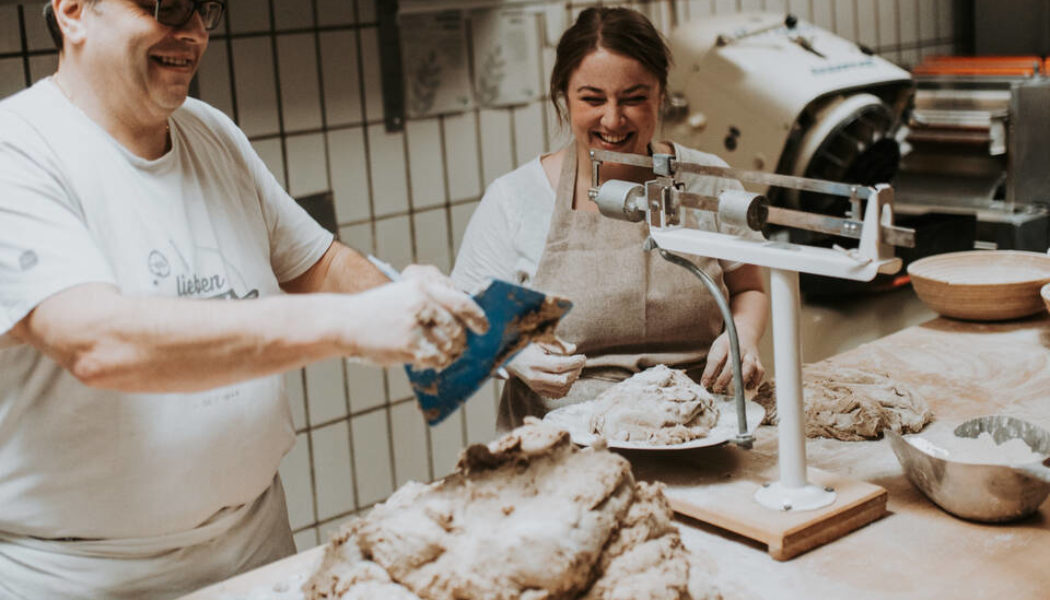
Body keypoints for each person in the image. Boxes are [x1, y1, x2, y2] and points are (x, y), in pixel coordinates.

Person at [0, 1, 488, 598]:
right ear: (74, 11)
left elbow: (317, 264)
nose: (192, 31)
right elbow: (99, 344)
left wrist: (419, 306)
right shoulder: (17, 151)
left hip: (256, 548)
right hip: (87, 576)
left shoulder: (209, 131)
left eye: (206, 8)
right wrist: (351, 324)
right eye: (167, 5)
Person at [451, 7, 769, 431]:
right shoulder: (516, 197)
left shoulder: (706, 181)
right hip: (563, 441)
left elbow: (749, 288)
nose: (613, 119)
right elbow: (462, 322)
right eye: (593, 99)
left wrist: (743, 335)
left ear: (661, 95)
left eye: (634, 98)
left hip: (698, 425)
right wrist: (509, 354)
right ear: (564, 96)